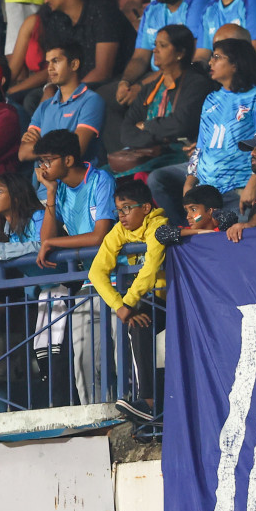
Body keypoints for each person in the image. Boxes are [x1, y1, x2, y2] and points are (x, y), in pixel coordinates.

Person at [147, 37, 256, 216]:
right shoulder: (211, 99)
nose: (210, 62)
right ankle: (182, 228)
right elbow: (200, 147)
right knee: (158, 179)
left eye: (217, 57)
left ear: (235, 64)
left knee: (237, 238)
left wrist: (254, 183)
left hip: (238, 185)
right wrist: (190, 180)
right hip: (207, 185)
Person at [33, 127, 115, 402]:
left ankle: (128, 417)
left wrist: (54, 243)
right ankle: (95, 421)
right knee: (84, 362)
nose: (43, 168)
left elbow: (98, 235)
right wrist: (51, 194)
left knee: (117, 357)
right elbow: (46, 239)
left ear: (68, 160)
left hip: (118, 281)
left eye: (48, 160)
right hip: (88, 283)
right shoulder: (60, 190)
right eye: (40, 162)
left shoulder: (101, 179)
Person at [87, 177, 167, 421]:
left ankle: (150, 404)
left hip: (175, 299)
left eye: (127, 208)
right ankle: (149, 405)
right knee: (137, 326)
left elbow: (151, 269)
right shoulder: (120, 230)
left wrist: (128, 303)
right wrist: (120, 306)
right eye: (118, 210)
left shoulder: (159, 226)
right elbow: (95, 272)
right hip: (148, 302)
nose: (121, 216)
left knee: (138, 323)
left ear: (145, 208)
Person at [103, 24, 213, 162]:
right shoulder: (150, 89)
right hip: (148, 152)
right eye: (155, 45)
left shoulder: (196, 85)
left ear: (180, 53)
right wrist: (160, 138)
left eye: (163, 45)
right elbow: (126, 131)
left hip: (180, 155)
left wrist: (146, 126)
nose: (155, 50)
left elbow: (180, 125)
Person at [119, 0, 212, 107]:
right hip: (155, 75)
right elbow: (140, 57)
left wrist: (142, 87)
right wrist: (125, 82)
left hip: (183, 77)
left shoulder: (198, 4)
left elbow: (187, 61)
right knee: (107, 98)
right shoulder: (152, 9)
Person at [36, 0, 135, 87]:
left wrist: (72, 96)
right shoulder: (60, 20)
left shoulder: (103, 13)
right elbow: (55, 68)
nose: (45, 0)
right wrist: (49, 89)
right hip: (78, 87)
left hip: (113, 85)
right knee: (33, 98)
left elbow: (103, 72)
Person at [22, 41, 104, 163]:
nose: (50, 68)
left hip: (79, 181)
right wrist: (58, 149)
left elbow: (76, 150)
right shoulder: (45, 106)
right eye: (48, 62)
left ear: (74, 64)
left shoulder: (91, 101)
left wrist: (40, 144)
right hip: (44, 181)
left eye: (56, 61)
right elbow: (23, 153)